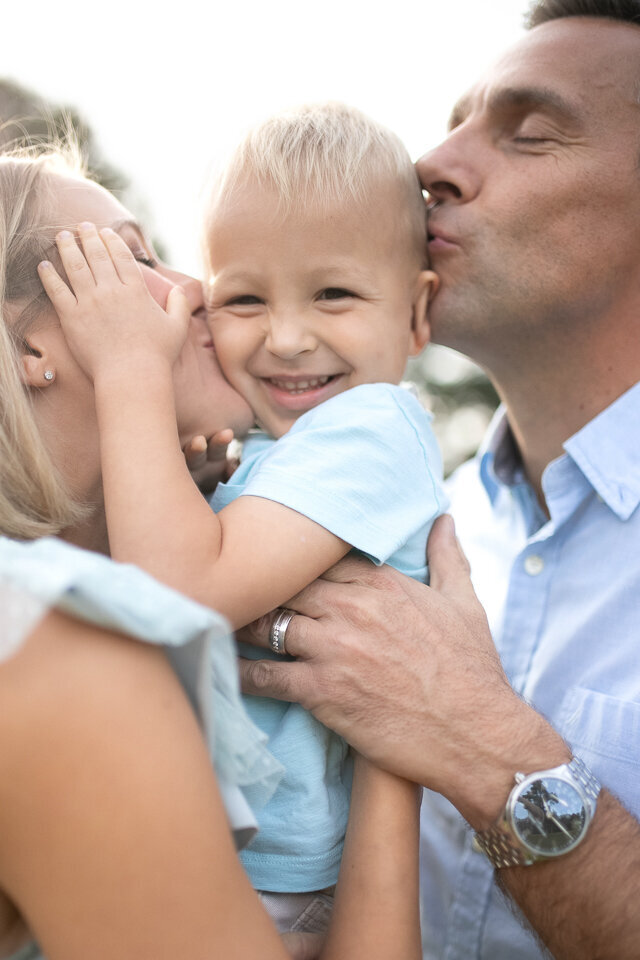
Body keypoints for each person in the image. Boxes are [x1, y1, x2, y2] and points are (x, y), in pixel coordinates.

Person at [237, 3, 640, 958]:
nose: (432, 163)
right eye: (455, 121)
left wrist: (480, 744)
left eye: (529, 134)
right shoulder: (410, 519)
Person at [0, 145, 423, 960]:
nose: (197, 291)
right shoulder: (52, 648)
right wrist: (406, 738)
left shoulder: (233, 508)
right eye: (128, 260)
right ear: (32, 351)